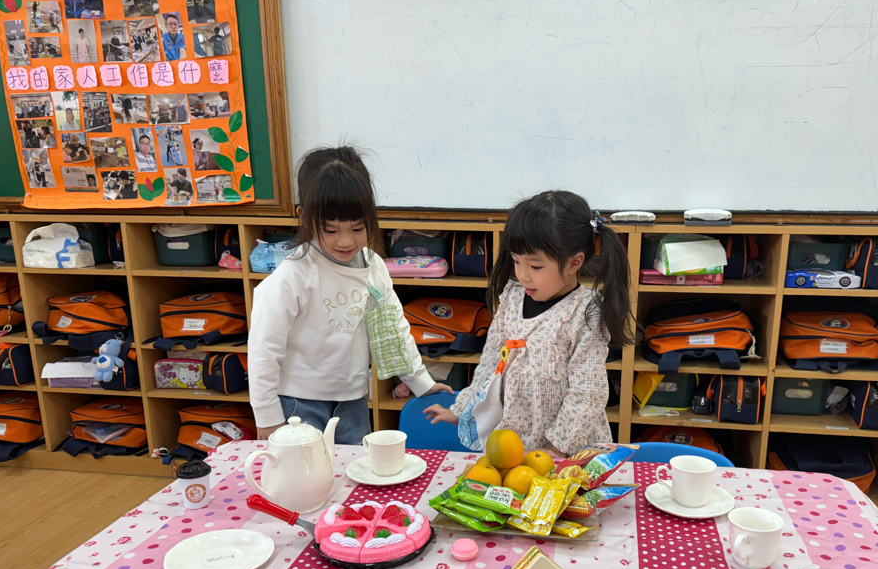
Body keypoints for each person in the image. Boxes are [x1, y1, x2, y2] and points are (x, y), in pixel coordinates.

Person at [248, 146, 453, 442]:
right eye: (331, 230)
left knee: (355, 468)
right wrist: (267, 416)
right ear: (304, 217)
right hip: (297, 403)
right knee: (305, 471)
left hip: (353, 402)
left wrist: (421, 382)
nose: (345, 241)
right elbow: (263, 350)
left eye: (357, 228)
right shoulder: (294, 274)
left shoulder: (374, 267)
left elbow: (394, 330)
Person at [424, 190, 634, 456]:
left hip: (569, 451)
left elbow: (587, 392)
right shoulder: (511, 298)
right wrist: (464, 410)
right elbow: (491, 364)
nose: (523, 275)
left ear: (574, 262)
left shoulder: (586, 312)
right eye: (516, 261)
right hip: (515, 442)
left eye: (535, 267)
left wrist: (557, 449)